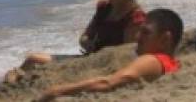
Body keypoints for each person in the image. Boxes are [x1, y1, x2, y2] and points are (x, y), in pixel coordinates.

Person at [7, 0, 147, 81]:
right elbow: (84, 37)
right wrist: (87, 42)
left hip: (104, 66)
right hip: (89, 59)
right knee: (31, 60)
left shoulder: (135, 17)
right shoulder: (104, 8)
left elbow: (127, 54)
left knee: (34, 60)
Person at [37, 9, 183, 101]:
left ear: (165, 39)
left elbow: (107, 83)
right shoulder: (170, 63)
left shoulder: (152, 59)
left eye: (146, 32)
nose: (138, 36)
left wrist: (56, 91)